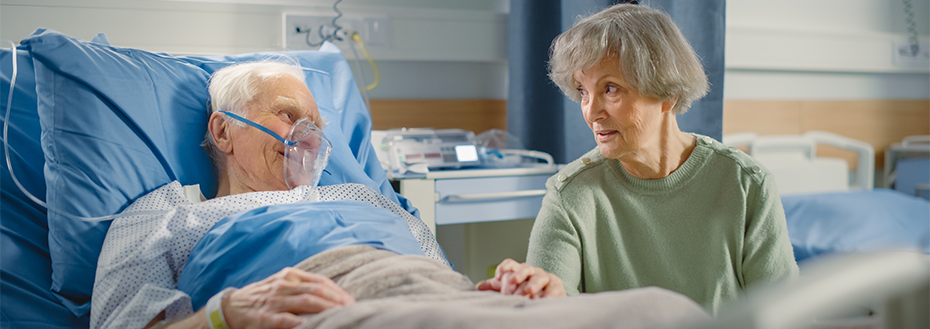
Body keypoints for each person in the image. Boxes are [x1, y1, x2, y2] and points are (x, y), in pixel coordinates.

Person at [91, 61, 573, 329]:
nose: (306, 135)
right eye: (286, 115)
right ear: (223, 131)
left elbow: (441, 285)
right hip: (326, 312)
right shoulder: (165, 216)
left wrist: (508, 293)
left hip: (459, 312)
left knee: (648, 311)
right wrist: (223, 315)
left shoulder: (370, 200)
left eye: (317, 127)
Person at [526, 3, 799, 314]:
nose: (590, 111)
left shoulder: (746, 185)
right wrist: (542, 293)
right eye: (583, 91)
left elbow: (787, 314)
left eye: (610, 89)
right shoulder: (569, 195)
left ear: (667, 93)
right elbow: (547, 312)